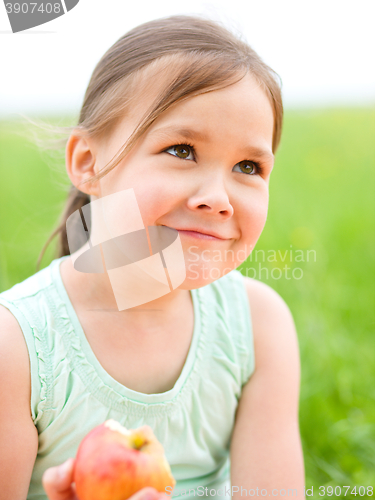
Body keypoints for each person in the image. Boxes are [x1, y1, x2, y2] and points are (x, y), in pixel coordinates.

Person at [0, 14, 306, 500]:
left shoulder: (257, 325)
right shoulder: (16, 349)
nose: (218, 197)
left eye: (248, 166)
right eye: (182, 150)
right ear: (88, 163)